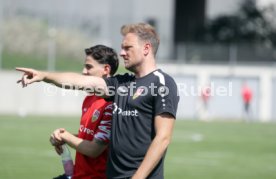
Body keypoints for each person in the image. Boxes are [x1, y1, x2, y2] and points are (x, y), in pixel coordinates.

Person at [16, 23, 179, 179]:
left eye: (127, 47)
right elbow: (80, 82)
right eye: (122, 48)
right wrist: (44, 76)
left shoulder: (162, 83)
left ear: (146, 48)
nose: (122, 53)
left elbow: (163, 138)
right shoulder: (121, 83)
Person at [50, 45, 119, 179]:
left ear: (106, 69)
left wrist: (66, 138)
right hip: (79, 174)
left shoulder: (111, 105)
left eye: (89, 67)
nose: (83, 71)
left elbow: (94, 150)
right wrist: (63, 137)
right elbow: (88, 137)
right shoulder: (90, 98)